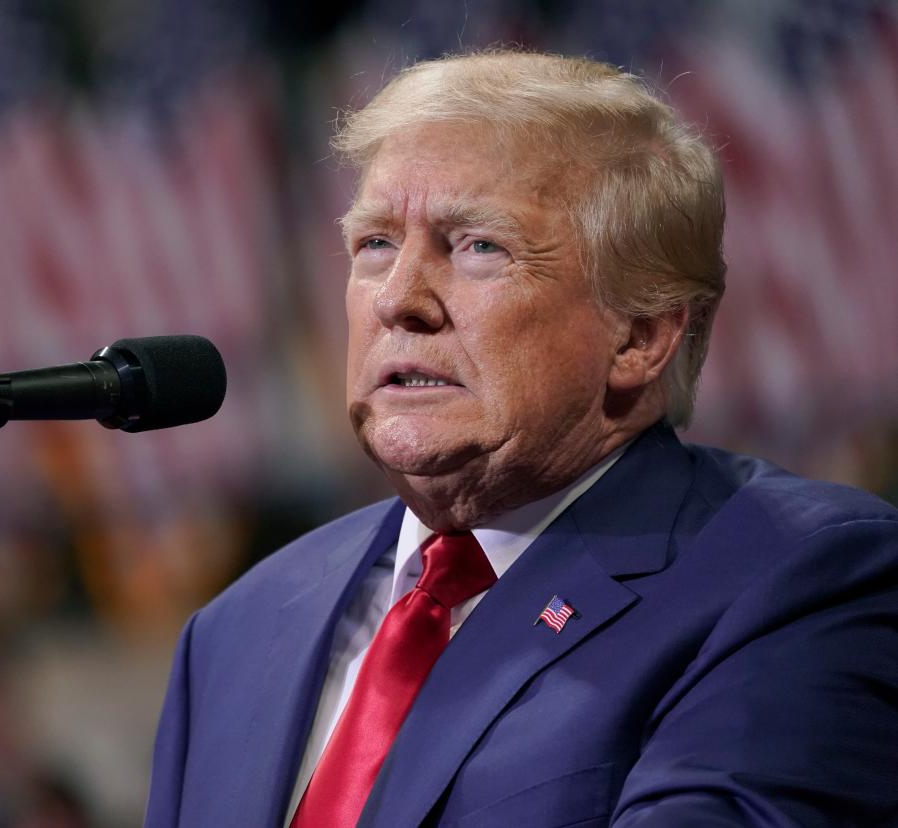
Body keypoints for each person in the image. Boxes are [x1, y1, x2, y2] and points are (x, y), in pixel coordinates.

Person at [144, 50, 898, 827]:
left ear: (639, 336)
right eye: (374, 243)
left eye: (478, 246)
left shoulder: (798, 581)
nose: (400, 298)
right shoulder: (237, 631)